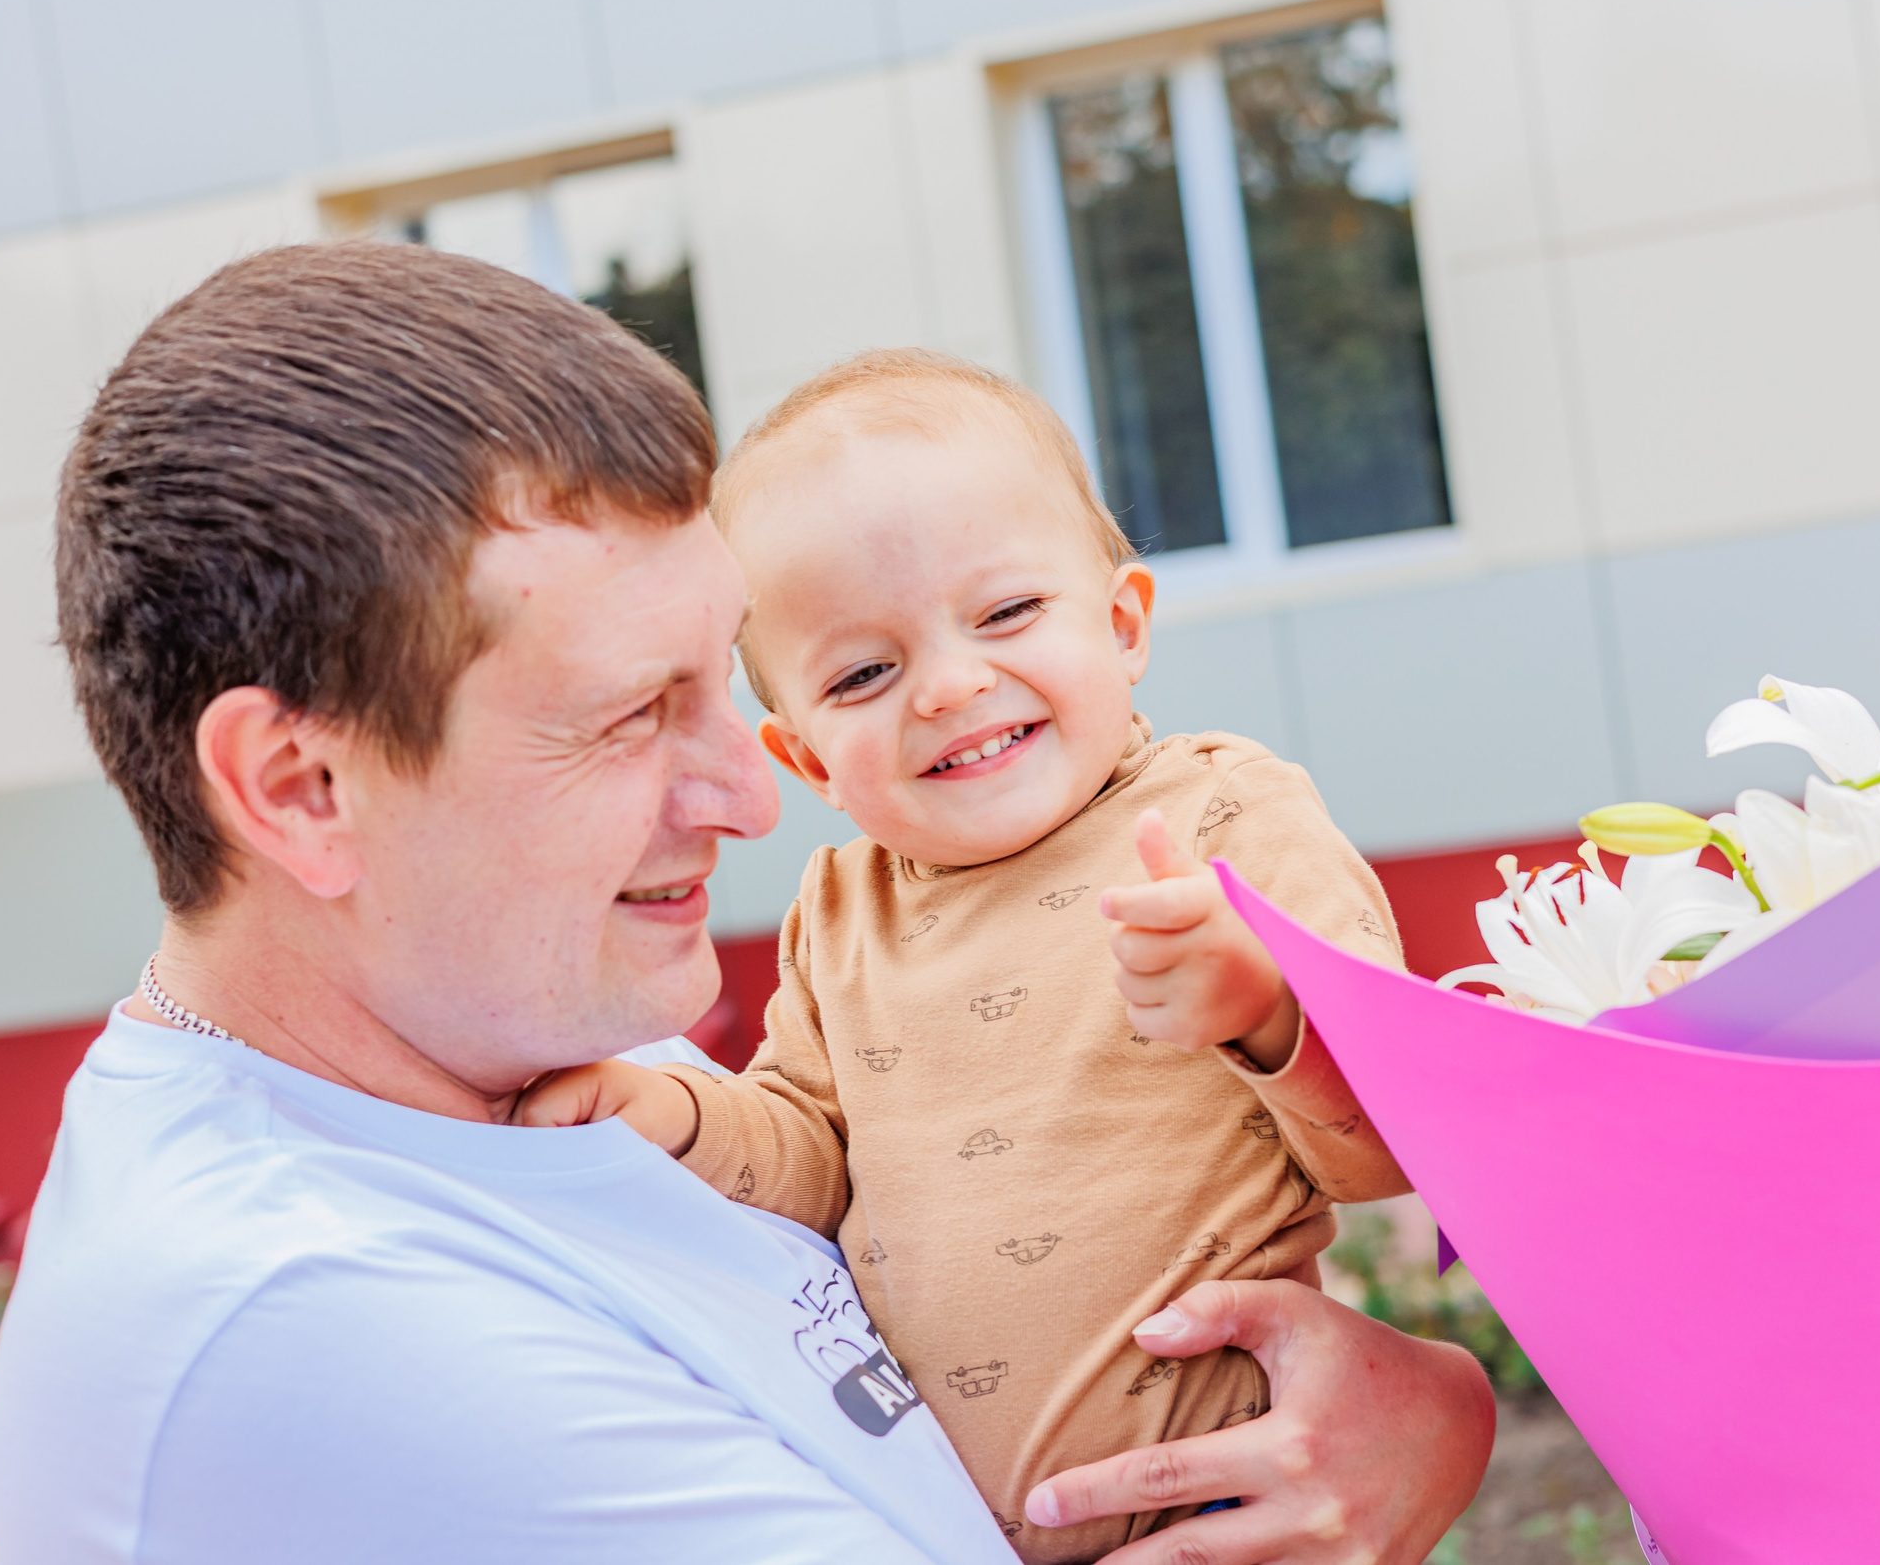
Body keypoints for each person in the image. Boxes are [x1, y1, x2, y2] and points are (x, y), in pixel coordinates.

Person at [0, 242, 1495, 1564]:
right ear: (304, 788)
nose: (756, 798)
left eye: (721, 677)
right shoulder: (321, 1323)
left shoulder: (526, 1045)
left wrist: (1420, 1403)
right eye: (635, 711)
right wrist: (1424, 1434)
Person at [516, 348, 1418, 1561]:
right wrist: (670, 1112)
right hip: (934, 1523)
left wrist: (1262, 1004)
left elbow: (1395, 1151)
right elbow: (811, 1168)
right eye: (864, 671)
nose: (946, 685)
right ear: (807, 760)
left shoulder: (1223, 823)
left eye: (1004, 613)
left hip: (1234, 1502)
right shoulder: (841, 910)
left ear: (1122, 622)